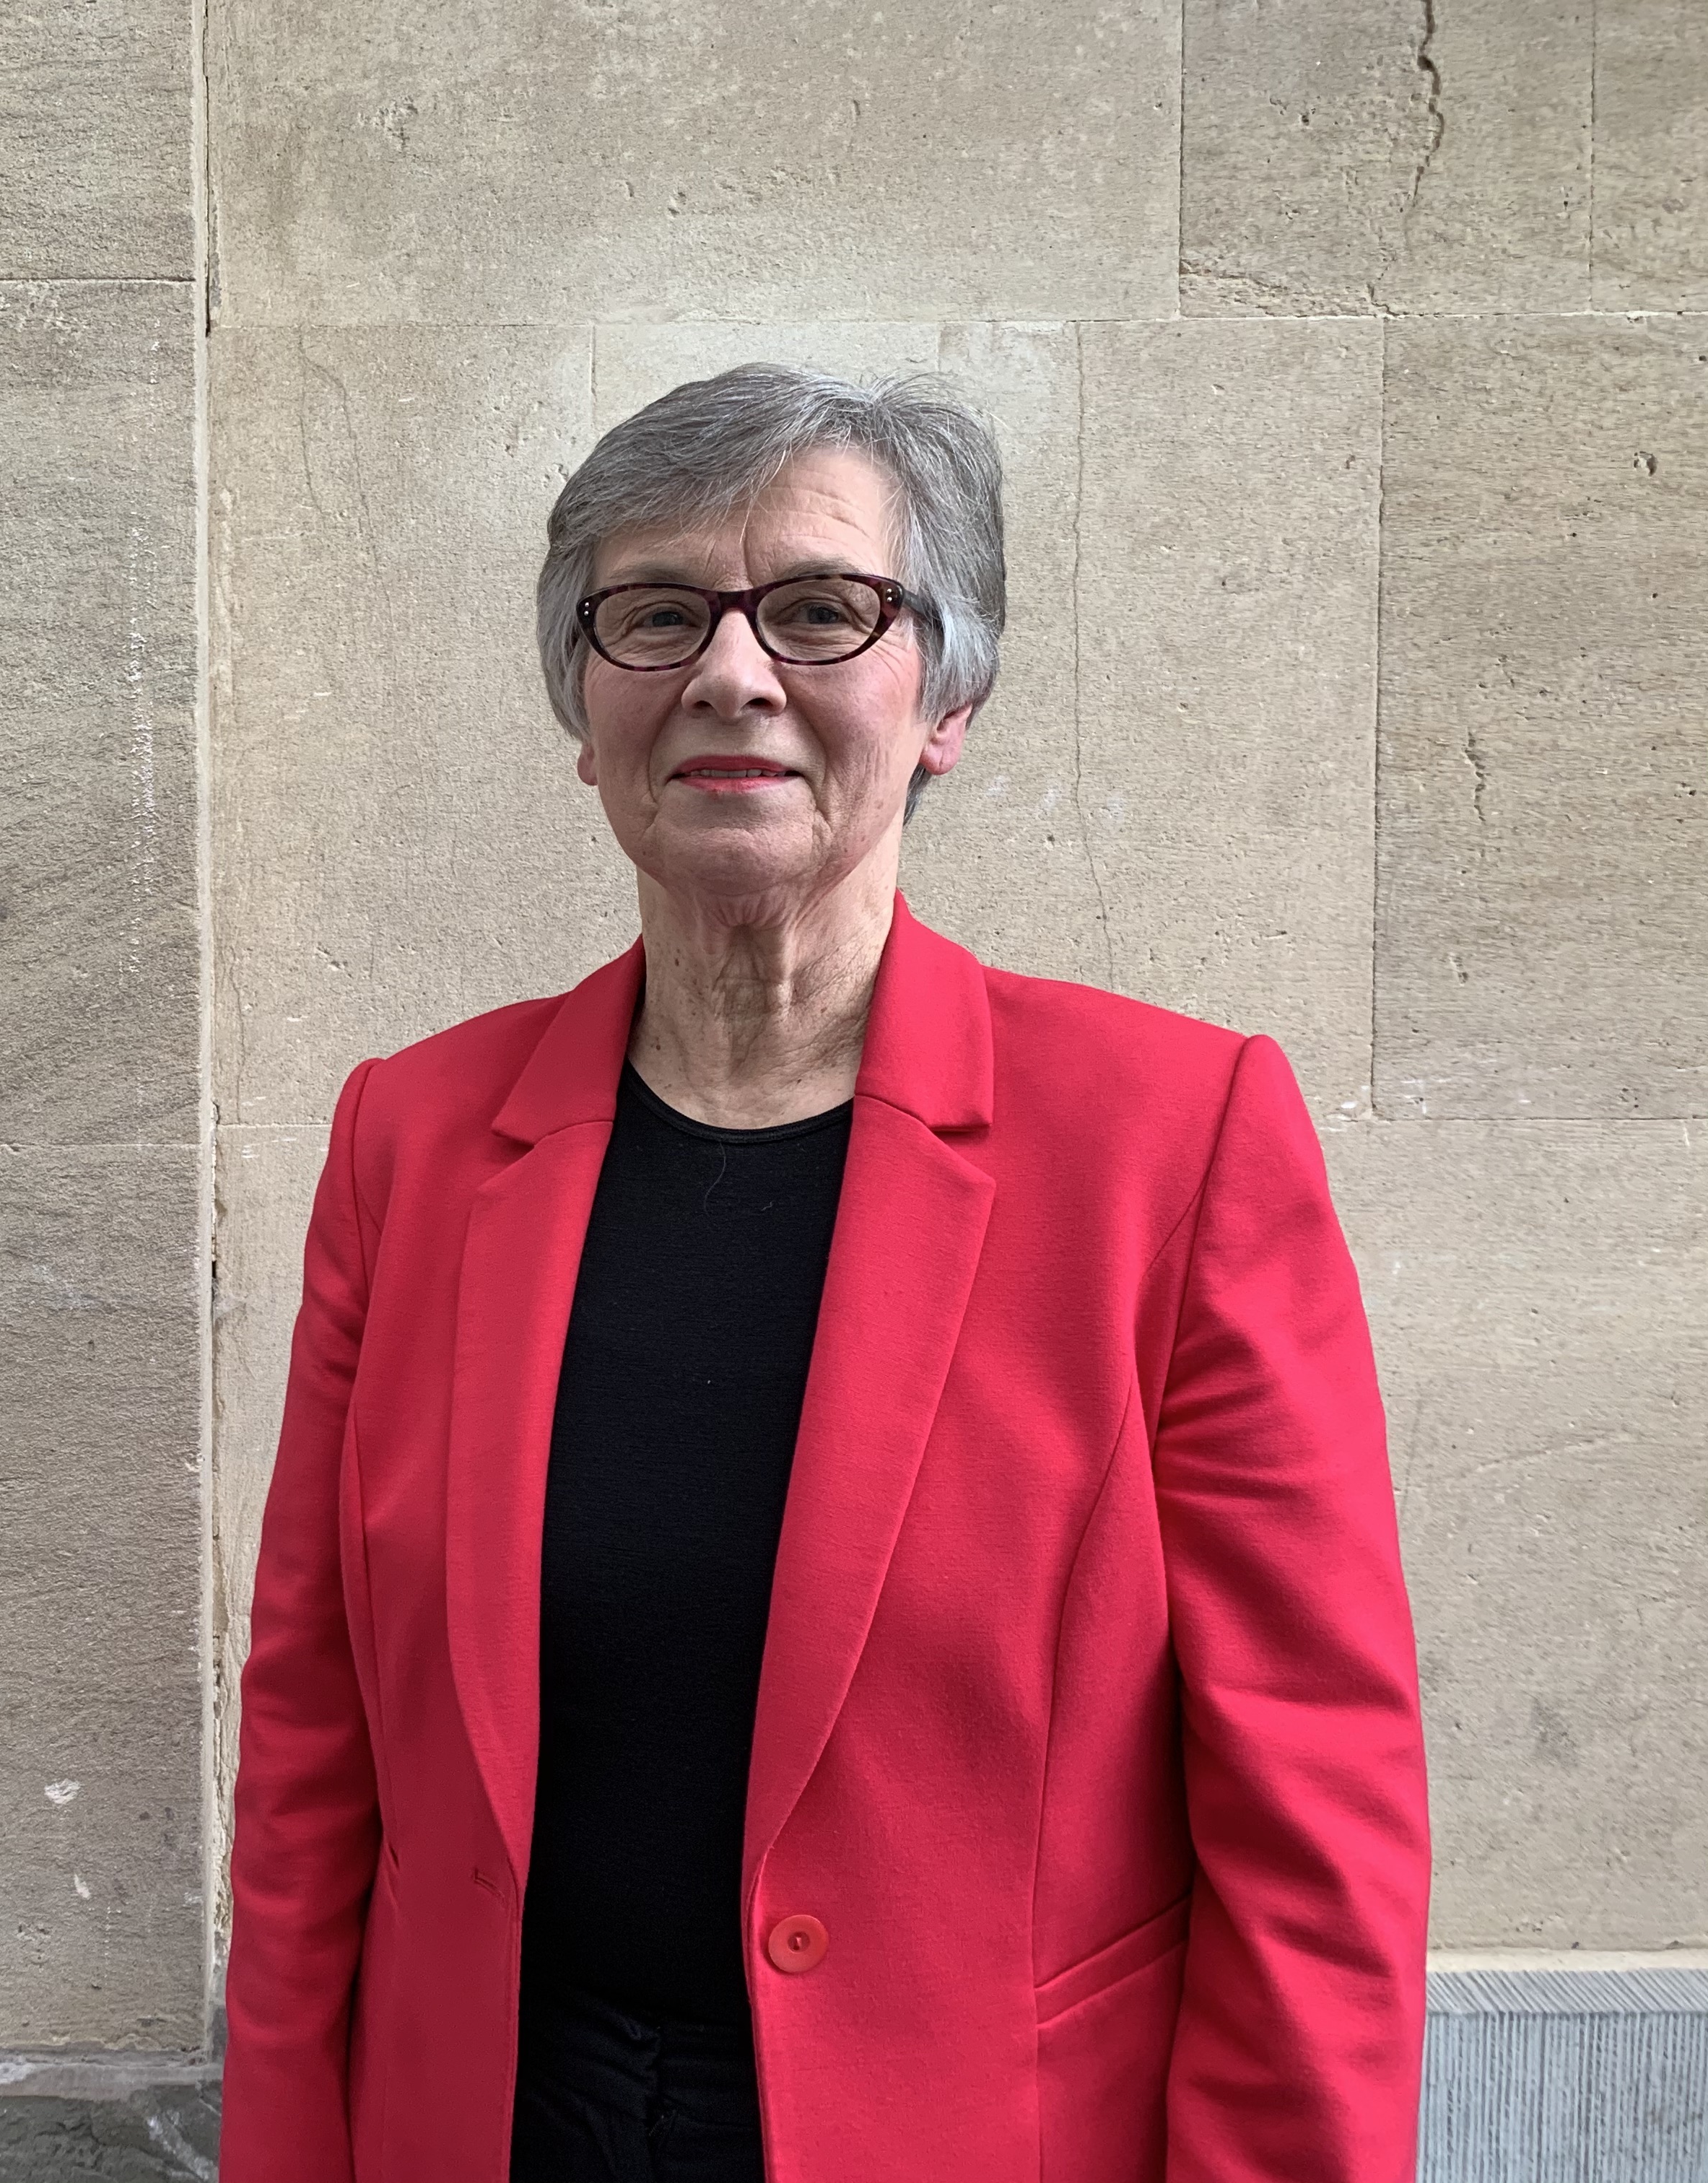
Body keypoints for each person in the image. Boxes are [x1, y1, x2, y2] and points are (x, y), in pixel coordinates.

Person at [215, 362, 1431, 2183]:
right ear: (583, 709)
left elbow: (1314, 1818)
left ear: (945, 695)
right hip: (488, 2127)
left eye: (818, 610)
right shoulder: (415, 1139)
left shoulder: (1171, 1143)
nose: (729, 672)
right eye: (652, 615)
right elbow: (316, 1755)